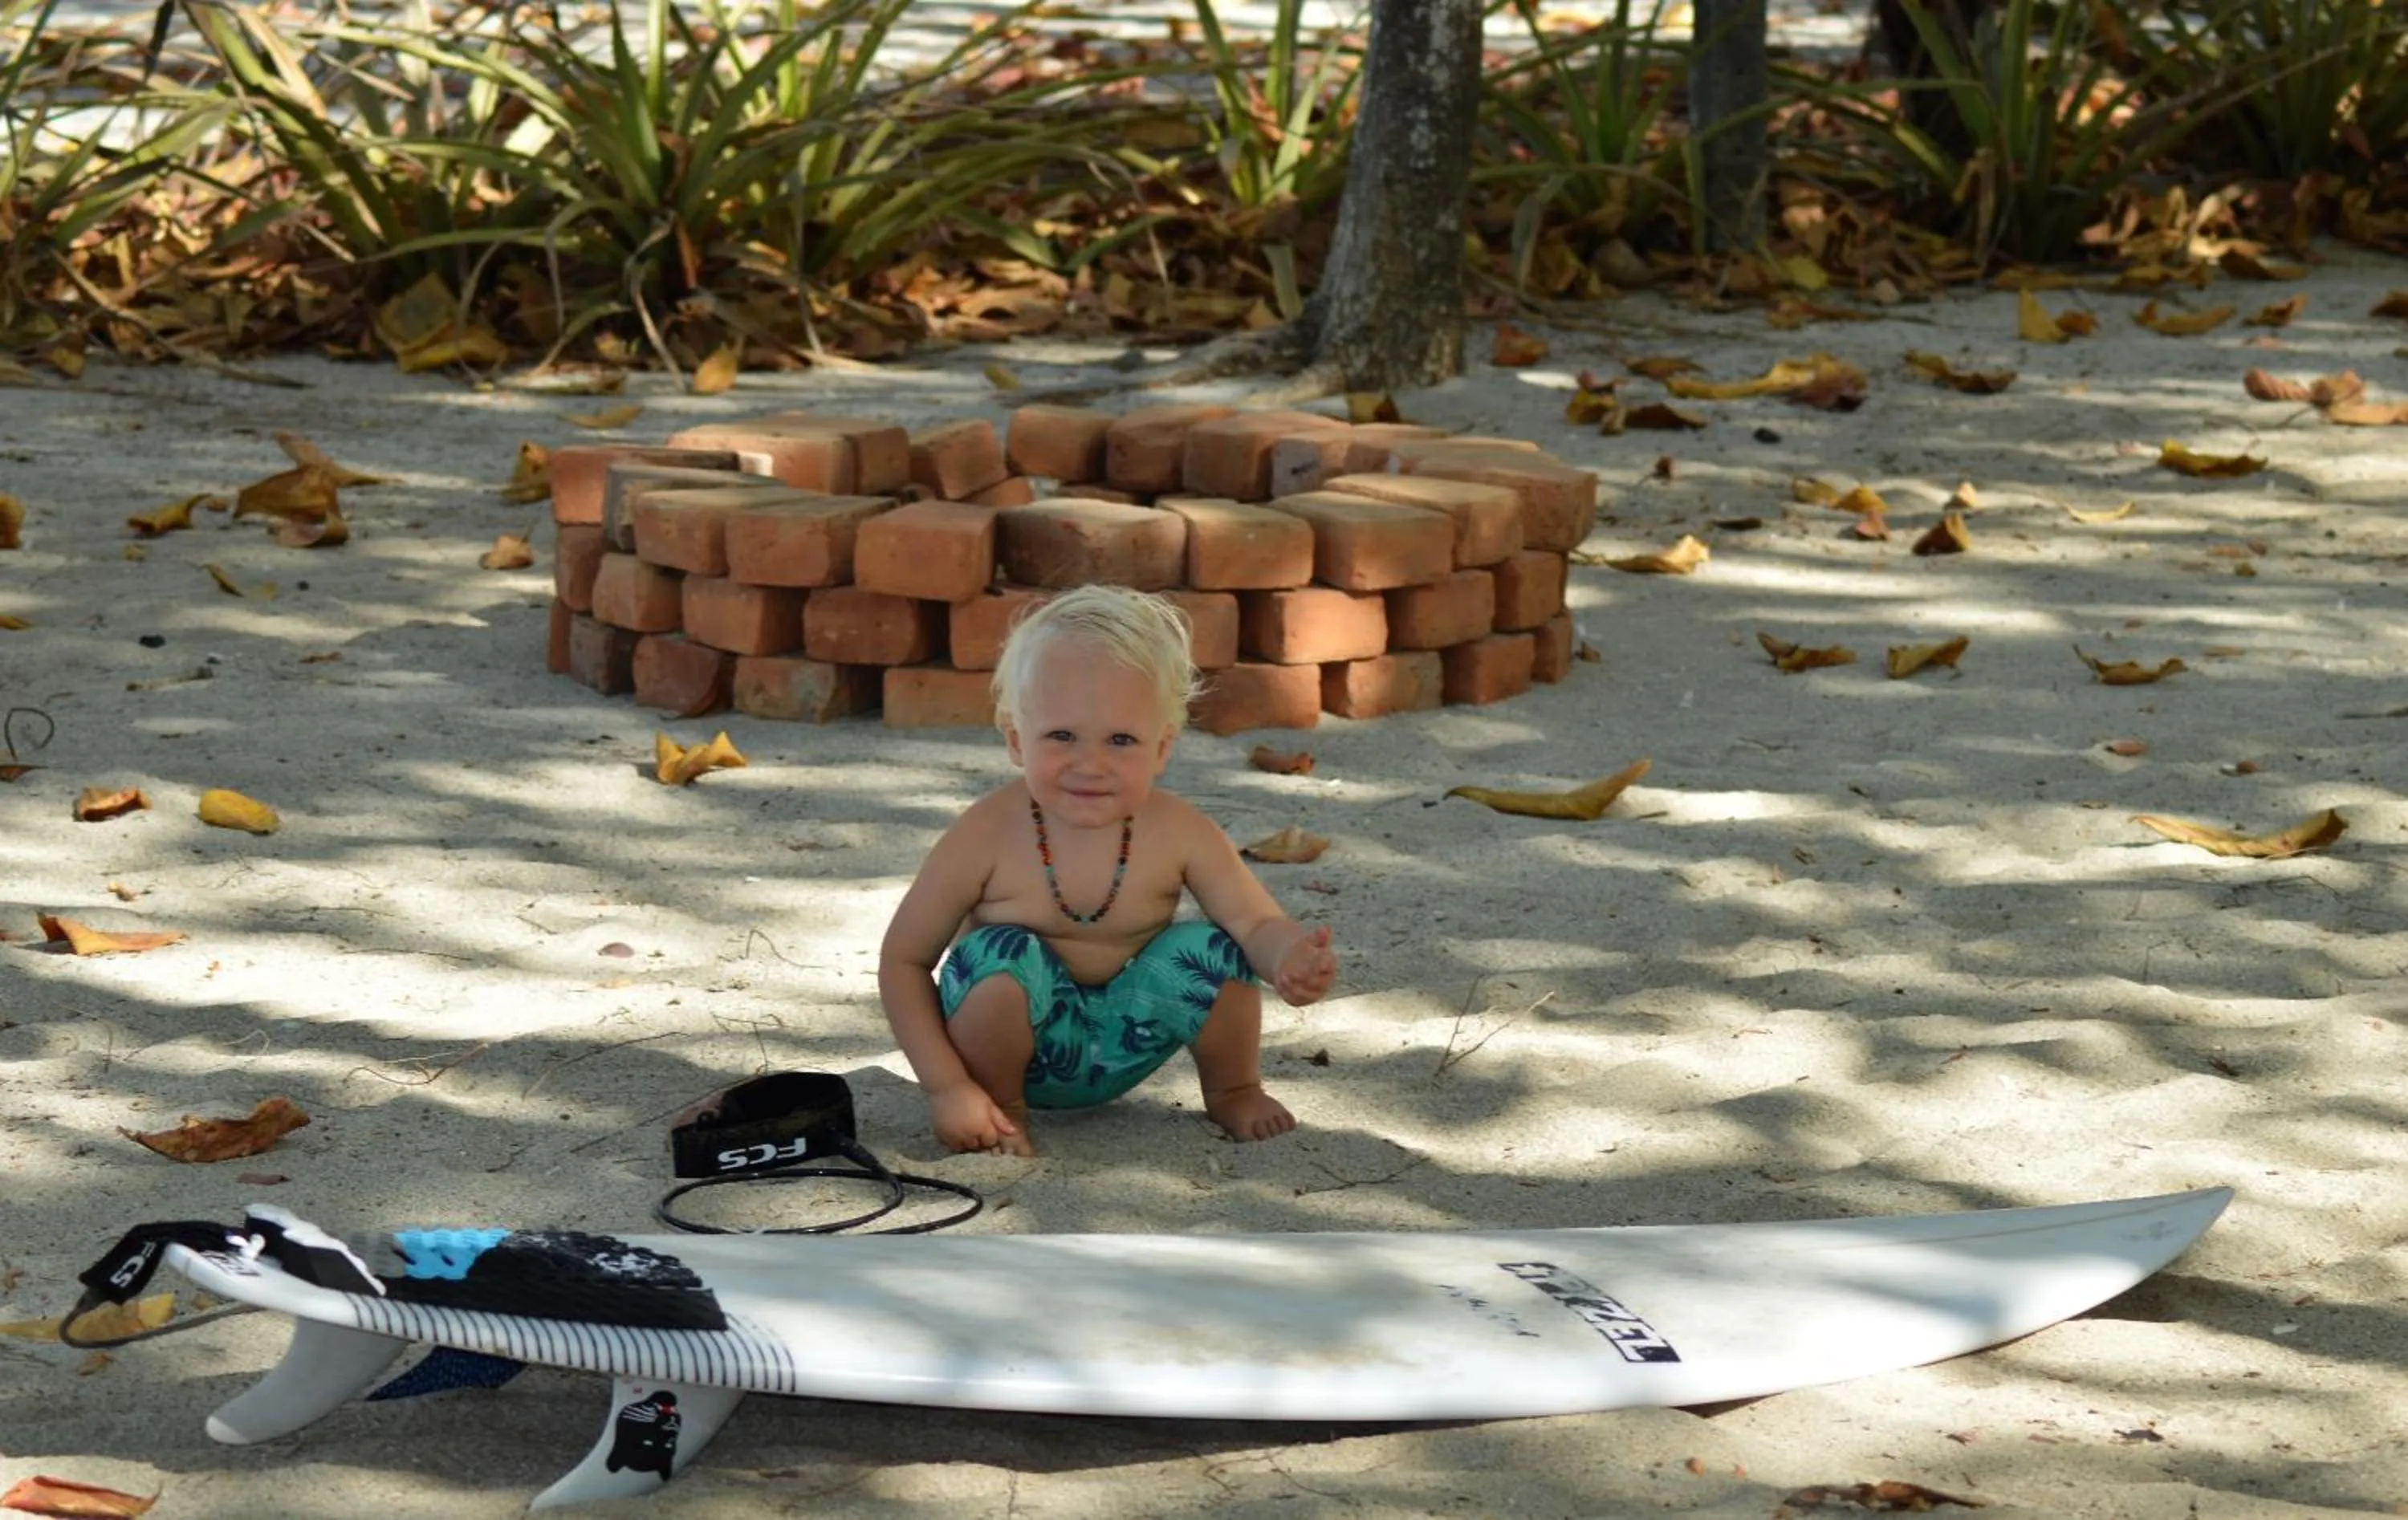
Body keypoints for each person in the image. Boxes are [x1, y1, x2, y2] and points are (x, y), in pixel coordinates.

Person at [878, 584, 1338, 1156]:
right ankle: (998, 1110)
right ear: (1018, 740)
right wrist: (947, 1088)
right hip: (1013, 1055)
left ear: (1162, 748)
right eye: (1062, 736)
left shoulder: (1179, 830)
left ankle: (1233, 1088)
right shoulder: (986, 833)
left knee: (1212, 950)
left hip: (1126, 1041)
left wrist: (1288, 957)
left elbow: (1254, 924)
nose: (1090, 764)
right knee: (998, 955)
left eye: (1121, 739)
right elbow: (903, 961)